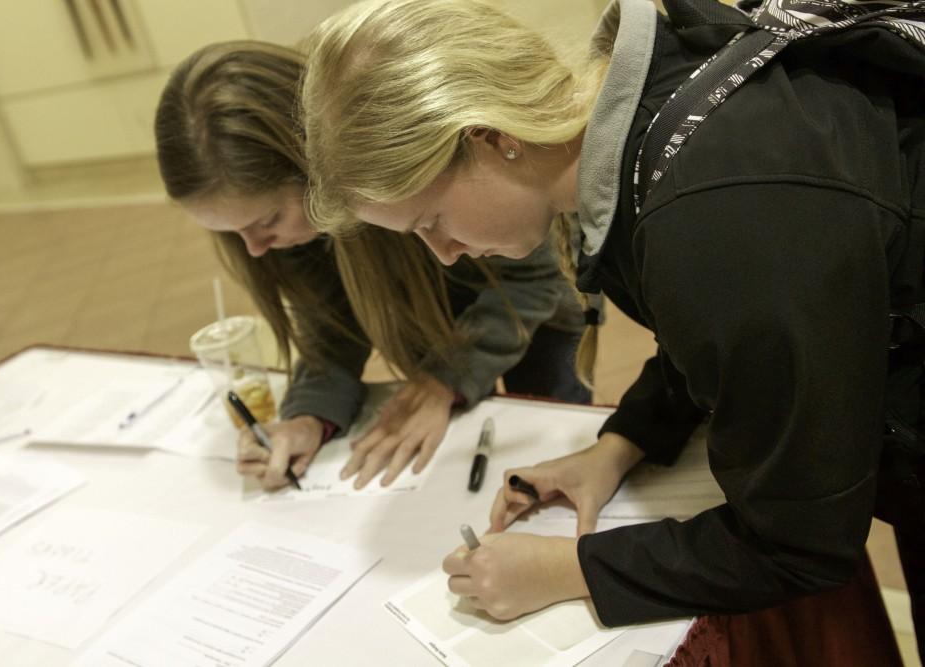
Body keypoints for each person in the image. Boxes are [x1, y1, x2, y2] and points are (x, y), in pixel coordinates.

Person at [299, 0, 925, 656]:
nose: (445, 253)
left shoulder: (714, 214)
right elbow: (729, 331)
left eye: (431, 220)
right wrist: (623, 442)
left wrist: (567, 569)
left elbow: (800, 542)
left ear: (489, 135)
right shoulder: (659, 104)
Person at [154, 40, 593, 492]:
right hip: (453, 322)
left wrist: (445, 378)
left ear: (312, 169)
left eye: (266, 221)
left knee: (550, 441)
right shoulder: (290, 232)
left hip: (541, 307)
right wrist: (309, 415)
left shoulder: (398, 156)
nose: (256, 250)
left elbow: (535, 278)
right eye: (233, 233)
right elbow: (330, 327)